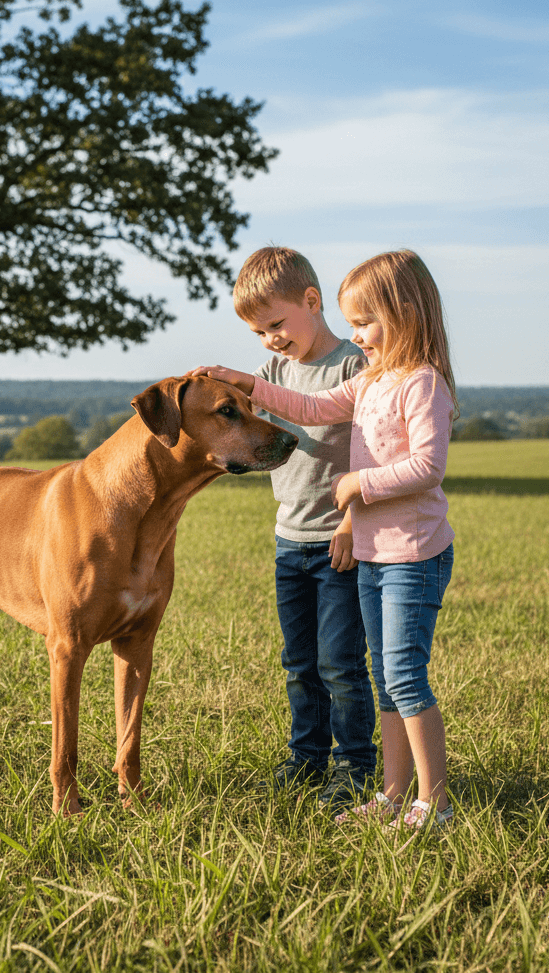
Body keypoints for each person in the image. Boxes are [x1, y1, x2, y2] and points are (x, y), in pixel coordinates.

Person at [192, 249, 457, 831]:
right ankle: (392, 794)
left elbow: (429, 467)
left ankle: (429, 801)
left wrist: (360, 486)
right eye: (353, 323)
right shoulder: (371, 379)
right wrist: (245, 382)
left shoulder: (421, 383)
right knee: (381, 680)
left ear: (404, 313)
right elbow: (310, 407)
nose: (355, 334)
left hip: (411, 553)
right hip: (372, 553)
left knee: (396, 676)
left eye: (364, 322)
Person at [216, 247, 378, 813]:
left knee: (341, 665)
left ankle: (354, 767)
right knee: (300, 663)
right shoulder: (271, 375)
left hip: (340, 543)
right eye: (259, 333)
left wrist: (354, 522)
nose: (270, 340)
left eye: (276, 325)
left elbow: (372, 452)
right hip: (289, 540)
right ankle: (306, 759)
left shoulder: (355, 366)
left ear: (312, 301)